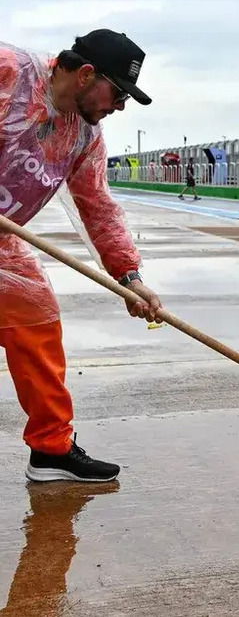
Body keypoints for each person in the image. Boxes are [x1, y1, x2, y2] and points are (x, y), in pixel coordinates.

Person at [0, 28, 162, 483]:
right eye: (118, 93)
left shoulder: (84, 136)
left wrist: (129, 278)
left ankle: (51, 450)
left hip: (2, 244)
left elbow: (98, 207)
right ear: (87, 74)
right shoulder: (9, 73)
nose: (120, 106)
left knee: (37, 319)